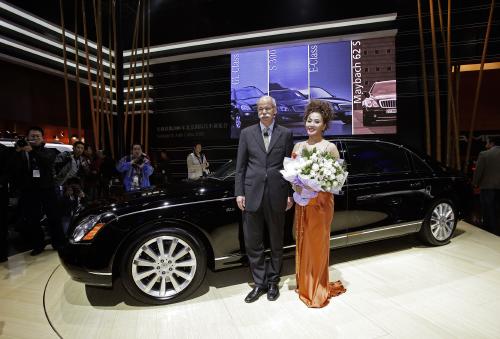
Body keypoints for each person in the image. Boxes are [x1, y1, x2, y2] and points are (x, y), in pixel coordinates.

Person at [235, 95, 294, 303]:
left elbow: (289, 167)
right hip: (251, 195)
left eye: (267, 108)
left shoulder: (286, 134)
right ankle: (259, 283)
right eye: (260, 109)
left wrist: (289, 194)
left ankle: (272, 282)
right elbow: (240, 167)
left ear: (275, 110)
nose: (264, 111)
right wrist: (239, 192)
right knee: (253, 243)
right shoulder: (246, 133)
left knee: (277, 242)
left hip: (277, 195)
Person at [292, 100, 346, 308]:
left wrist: (316, 185)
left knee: (318, 245)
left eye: (316, 121)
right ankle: (305, 284)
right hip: (302, 203)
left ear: (324, 125)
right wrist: (298, 187)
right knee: (303, 242)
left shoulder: (329, 147)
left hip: (321, 205)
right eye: (308, 120)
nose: (311, 124)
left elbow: (336, 180)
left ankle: (317, 289)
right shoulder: (298, 146)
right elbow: (294, 176)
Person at [10, 127, 64, 255]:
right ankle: (38, 245)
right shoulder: (22, 152)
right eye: (32, 136)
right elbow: (13, 168)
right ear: (27, 138)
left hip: (47, 188)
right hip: (29, 190)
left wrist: (32, 152)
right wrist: (17, 151)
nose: (34, 139)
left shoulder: (49, 151)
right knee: (32, 219)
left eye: (37, 136)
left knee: (54, 217)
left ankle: (59, 243)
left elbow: (47, 162)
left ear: (42, 138)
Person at [473, 136, 500, 235]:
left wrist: (475, 183)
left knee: (488, 210)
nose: (485, 145)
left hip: (488, 187)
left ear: (492, 143)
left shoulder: (484, 154)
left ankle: (489, 232)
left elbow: (478, 171)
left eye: (487, 142)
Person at [0, 143, 10, 262]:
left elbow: (9, 171)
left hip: (1, 191)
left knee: (2, 225)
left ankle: (2, 254)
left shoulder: (4, 149)